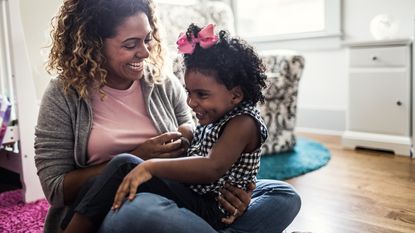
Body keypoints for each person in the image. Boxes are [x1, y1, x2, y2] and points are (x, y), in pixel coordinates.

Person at [34, 0, 301, 232]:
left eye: (147, 39)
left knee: (283, 194)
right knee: (143, 214)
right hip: (119, 204)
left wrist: (241, 191)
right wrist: (141, 157)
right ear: (93, 45)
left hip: (186, 190)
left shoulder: (160, 81)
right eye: (130, 44)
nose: (146, 52)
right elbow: (56, 189)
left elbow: (197, 136)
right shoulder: (64, 95)